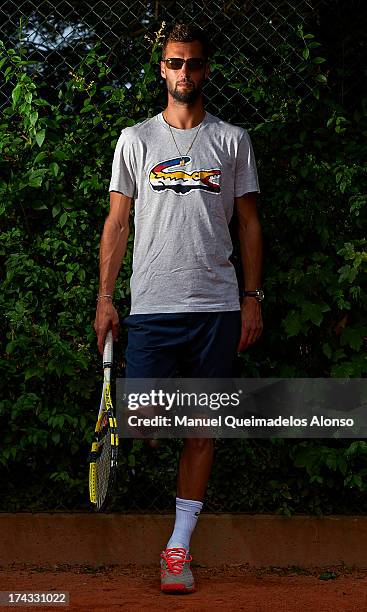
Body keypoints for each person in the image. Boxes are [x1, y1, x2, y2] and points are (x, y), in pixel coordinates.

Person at [94, 22, 263, 594]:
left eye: (192, 63)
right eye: (174, 63)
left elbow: (248, 223)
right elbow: (117, 222)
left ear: (205, 69)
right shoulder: (135, 140)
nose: (183, 73)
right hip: (152, 307)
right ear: (161, 69)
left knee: (201, 428)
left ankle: (177, 549)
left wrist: (252, 297)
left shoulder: (233, 140)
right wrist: (104, 298)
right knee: (145, 420)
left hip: (217, 307)